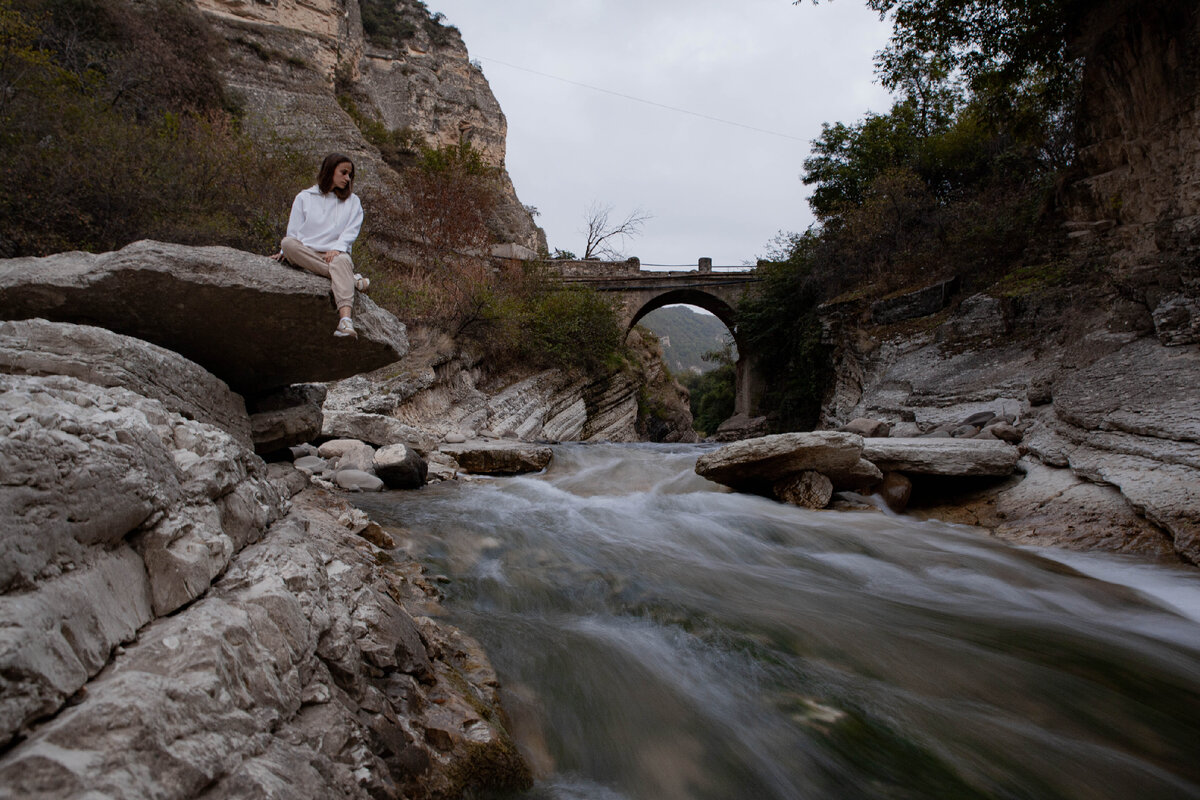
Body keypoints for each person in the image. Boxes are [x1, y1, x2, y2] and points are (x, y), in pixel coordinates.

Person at [271, 153, 369, 338]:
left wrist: (339, 248)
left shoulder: (352, 201)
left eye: (350, 175)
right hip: (307, 253)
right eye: (344, 173)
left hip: (335, 255)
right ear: (330, 171)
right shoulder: (304, 197)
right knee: (288, 243)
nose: (347, 178)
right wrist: (284, 252)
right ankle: (350, 278)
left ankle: (345, 322)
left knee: (341, 262)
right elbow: (293, 231)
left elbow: (351, 230)